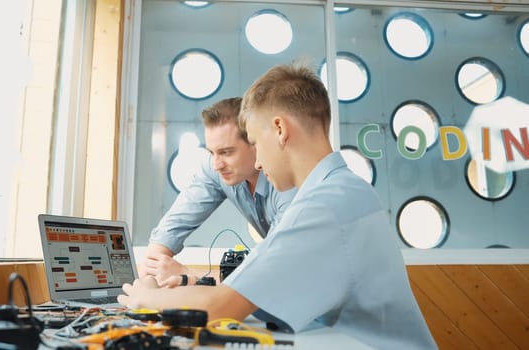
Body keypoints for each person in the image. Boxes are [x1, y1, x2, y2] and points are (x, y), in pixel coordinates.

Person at [119, 61, 437, 349]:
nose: (256, 161)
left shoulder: (322, 208)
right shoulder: (342, 191)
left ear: (280, 130)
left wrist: (145, 296)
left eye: (255, 143)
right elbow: (252, 294)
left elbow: (219, 308)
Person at [141, 97, 296, 287]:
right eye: (211, 152)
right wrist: (154, 271)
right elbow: (172, 228)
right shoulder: (216, 167)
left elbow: (274, 275)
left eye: (227, 152)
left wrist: (186, 275)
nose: (216, 164)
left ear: (255, 143)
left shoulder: (288, 188)